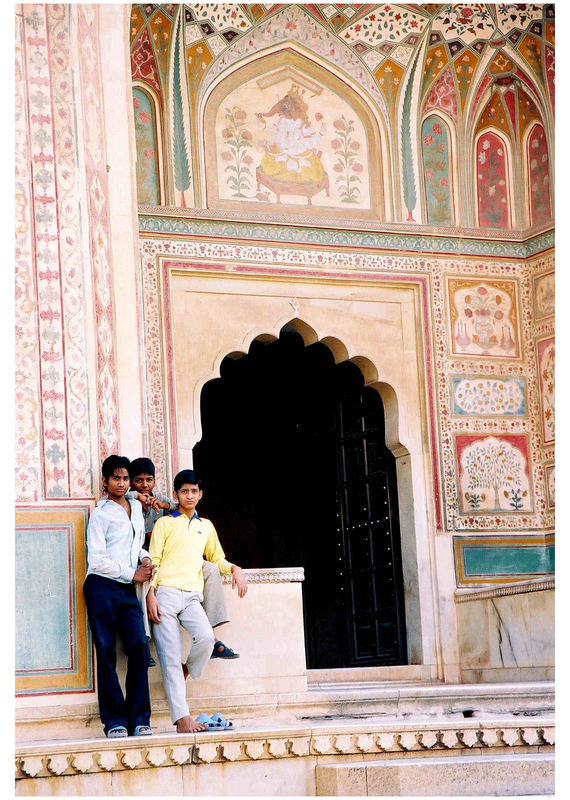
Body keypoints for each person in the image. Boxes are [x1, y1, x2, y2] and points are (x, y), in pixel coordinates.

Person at [146, 469, 248, 733]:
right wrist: (150, 595)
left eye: (194, 491)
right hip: (165, 594)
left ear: (200, 495)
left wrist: (235, 569)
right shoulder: (164, 524)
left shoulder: (206, 526)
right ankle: (182, 719)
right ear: (177, 495)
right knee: (169, 658)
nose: (189, 495)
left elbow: (217, 559)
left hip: (192, 597)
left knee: (205, 638)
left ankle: (185, 672)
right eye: (184, 491)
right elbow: (153, 562)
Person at [127, 457, 240, 660]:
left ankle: (212, 638)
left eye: (149, 480)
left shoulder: (162, 499)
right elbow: (112, 499)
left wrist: (161, 503)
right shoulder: (128, 501)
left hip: (171, 557)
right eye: (138, 480)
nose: (145, 485)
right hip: (141, 557)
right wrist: (138, 497)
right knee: (144, 580)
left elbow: (183, 505)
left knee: (211, 569)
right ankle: (143, 642)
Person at [83, 455, 154, 738]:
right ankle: (114, 721)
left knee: (138, 645)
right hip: (101, 586)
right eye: (116, 478)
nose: (122, 483)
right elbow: (97, 560)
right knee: (105, 649)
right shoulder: (100, 514)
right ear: (105, 481)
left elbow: (136, 543)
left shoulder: (135, 507)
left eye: (126, 478)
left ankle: (139, 718)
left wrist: (146, 558)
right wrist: (132, 573)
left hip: (126, 588)